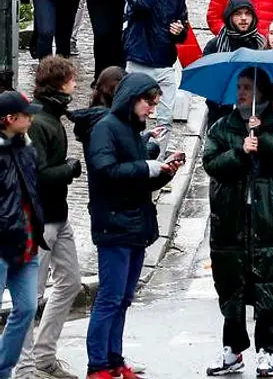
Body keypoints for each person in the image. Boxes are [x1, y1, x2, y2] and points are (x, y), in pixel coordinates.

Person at [201, 69, 273, 378]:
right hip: (232, 219)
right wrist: (239, 151)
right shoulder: (223, 127)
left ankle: (266, 352)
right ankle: (232, 350)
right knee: (232, 286)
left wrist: (265, 140)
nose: (242, 93)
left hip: (269, 219)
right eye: (240, 87)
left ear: (265, 95)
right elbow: (212, 163)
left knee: (267, 286)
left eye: (249, 88)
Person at [84, 72, 180, 379]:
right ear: (131, 99)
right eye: (148, 102)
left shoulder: (131, 129)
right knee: (110, 298)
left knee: (123, 298)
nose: (151, 109)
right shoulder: (106, 129)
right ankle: (97, 364)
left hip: (134, 225)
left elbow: (138, 181)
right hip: (114, 225)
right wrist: (148, 165)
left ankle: (114, 359)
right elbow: (106, 169)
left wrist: (165, 171)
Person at [15, 58, 83, 379]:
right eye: (71, 80)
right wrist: (69, 169)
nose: (76, 85)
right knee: (30, 295)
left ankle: (44, 355)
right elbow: (38, 174)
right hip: (40, 220)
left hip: (59, 216)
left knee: (69, 282)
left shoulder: (52, 116)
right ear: (59, 83)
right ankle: (26, 366)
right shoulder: (40, 122)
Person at [121, 0, 190, 140]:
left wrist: (180, 32)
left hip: (165, 64)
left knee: (165, 120)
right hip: (139, 62)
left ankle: (159, 164)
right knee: (134, 117)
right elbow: (143, 4)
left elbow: (183, 26)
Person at [0, 89, 44, 379]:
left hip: (27, 245)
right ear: (9, 119)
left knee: (27, 308)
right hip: (2, 245)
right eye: (26, 115)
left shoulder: (27, 150)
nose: (31, 119)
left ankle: (3, 366)